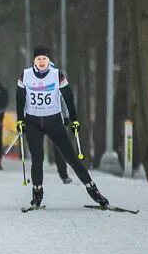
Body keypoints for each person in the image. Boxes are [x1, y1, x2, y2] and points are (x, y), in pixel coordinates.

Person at [16, 46, 109, 210]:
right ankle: (37, 194)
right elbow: (20, 98)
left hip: (53, 121)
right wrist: (20, 119)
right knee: (37, 158)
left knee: (71, 157)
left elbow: (68, 96)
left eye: (44, 58)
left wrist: (74, 119)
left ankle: (94, 191)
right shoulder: (25, 75)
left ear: (49, 60)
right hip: (33, 122)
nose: (42, 62)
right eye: (38, 59)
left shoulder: (56, 74)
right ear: (34, 61)